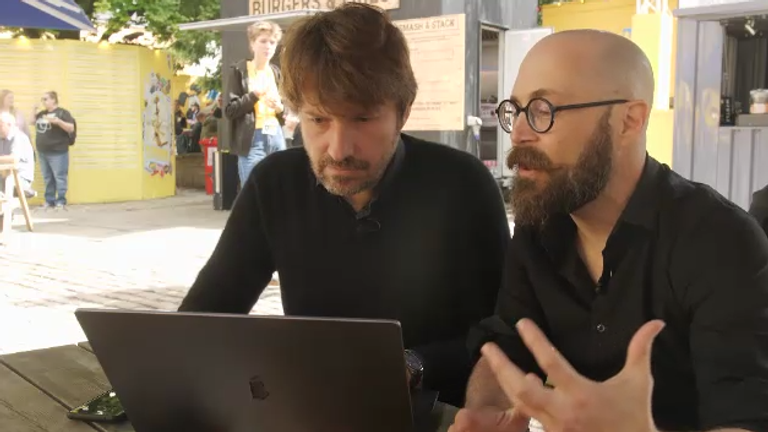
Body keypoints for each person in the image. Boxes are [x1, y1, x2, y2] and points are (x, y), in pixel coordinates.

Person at [179, 3, 509, 408]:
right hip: (312, 412)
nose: (338, 149)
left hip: (437, 414)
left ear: (403, 112)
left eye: (363, 119)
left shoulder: (462, 184)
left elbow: (504, 332)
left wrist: (413, 364)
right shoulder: (275, 183)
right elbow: (203, 319)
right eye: (318, 120)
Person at [451, 30, 768, 432]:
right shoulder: (541, 222)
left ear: (629, 121)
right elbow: (510, 343)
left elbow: (744, 417)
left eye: (543, 109)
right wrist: (487, 410)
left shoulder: (720, 241)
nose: (517, 134)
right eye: (515, 110)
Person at [223, 20, 287, 186]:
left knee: (280, 190)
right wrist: (254, 95)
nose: (268, 46)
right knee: (254, 192)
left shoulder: (275, 72)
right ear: (252, 44)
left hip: (276, 136)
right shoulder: (240, 70)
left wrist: (280, 108)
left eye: (272, 42)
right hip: (252, 139)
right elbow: (230, 110)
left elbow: (285, 110)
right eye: (263, 41)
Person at [32, 91, 75, 210]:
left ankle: (61, 201)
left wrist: (58, 122)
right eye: (42, 99)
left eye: (45, 99)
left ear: (53, 100)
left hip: (58, 151)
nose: (43, 102)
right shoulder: (42, 114)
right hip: (43, 151)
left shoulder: (63, 113)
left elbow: (71, 128)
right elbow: (32, 122)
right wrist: (34, 110)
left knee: (59, 177)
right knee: (47, 177)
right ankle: (49, 200)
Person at [0, 112, 36, 199]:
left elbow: (14, 159)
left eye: (0, 125)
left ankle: (6, 209)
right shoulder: (2, 138)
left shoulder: (19, 137)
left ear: (9, 125)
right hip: (5, 175)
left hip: (20, 178)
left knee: (8, 180)